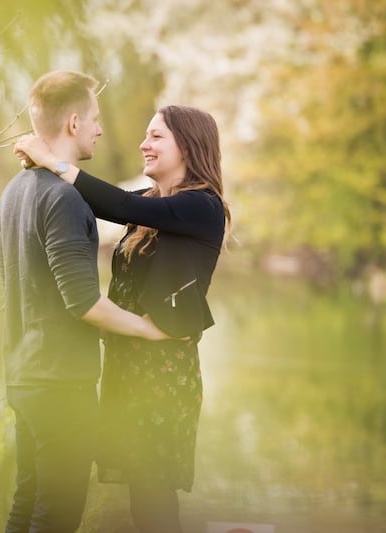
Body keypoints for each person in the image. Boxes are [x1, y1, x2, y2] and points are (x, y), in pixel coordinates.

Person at [14, 104, 230, 533]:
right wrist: (42, 162)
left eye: (156, 137)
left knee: (153, 492)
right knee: (139, 492)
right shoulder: (150, 203)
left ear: (188, 145)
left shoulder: (202, 206)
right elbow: (104, 201)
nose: (142, 145)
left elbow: (109, 199)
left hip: (163, 368)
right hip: (127, 360)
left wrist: (51, 158)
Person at [0, 71, 170, 533]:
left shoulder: (14, 192)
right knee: (56, 516)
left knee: (26, 504)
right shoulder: (65, 200)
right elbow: (84, 302)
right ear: (73, 122)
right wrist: (149, 328)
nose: (99, 129)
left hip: (24, 376)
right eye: (93, 119)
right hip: (60, 385)